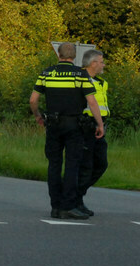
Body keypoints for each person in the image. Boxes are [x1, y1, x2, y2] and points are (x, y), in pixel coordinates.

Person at [29, 42, 104, 219]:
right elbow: (92, 102)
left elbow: (33, 100)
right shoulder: (80, 74)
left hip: (52, 124)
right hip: (74, 125)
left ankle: (55, 206)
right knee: (72, 164)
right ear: (74, 56)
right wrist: (100, 124)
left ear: (59, 54)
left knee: (54, 164)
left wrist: (38, 115)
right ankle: (68, 206)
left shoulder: (47, 73)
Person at [77, 49, 110, 216]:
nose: (103, 65)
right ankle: (76, 199)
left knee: (101, 163)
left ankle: (77, 194)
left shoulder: (102, 82)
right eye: (101, 62)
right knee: (86, 165)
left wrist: (101, 124)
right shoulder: (80, 79)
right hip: (86, 126)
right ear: (93, 63)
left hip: (99, 126)